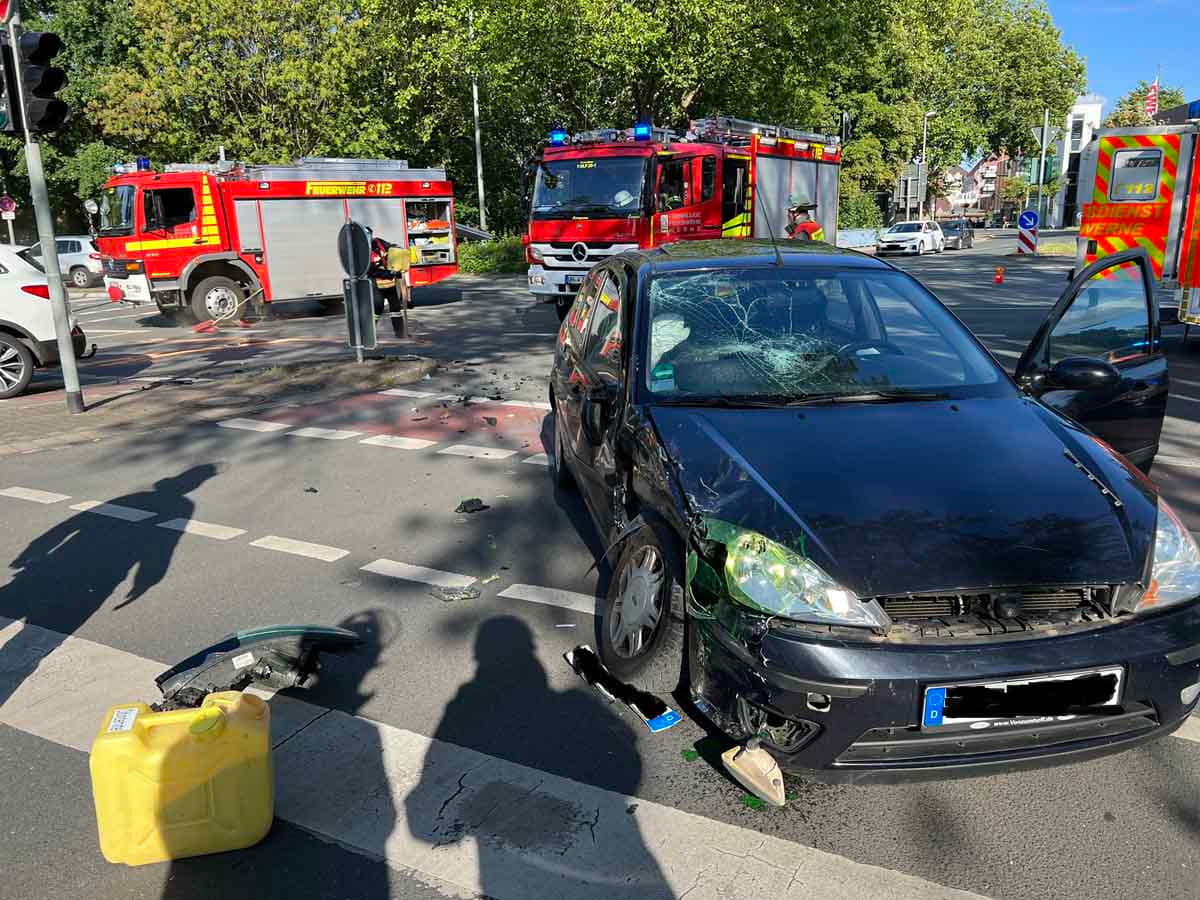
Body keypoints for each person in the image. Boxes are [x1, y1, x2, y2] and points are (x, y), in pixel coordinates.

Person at [370, 235, 413, 337]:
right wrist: (389, 273)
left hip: (389, 283)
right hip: (376, 284)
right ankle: (369, 333)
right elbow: (370, 271)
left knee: (396, 308)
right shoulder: (363, 250)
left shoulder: (378, 242)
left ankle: (400, 333)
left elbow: (391, 248)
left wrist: (400, 252)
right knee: (377, 309)